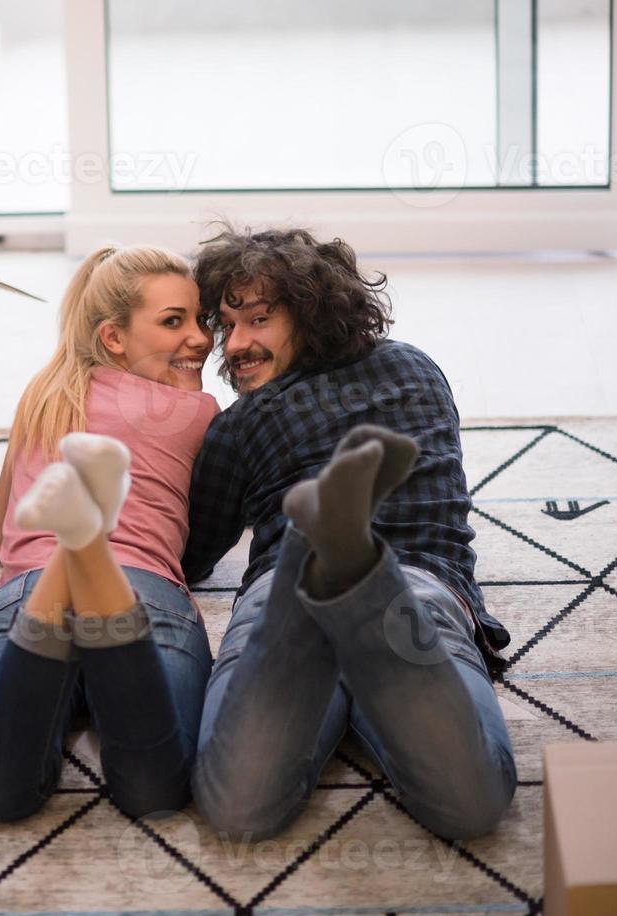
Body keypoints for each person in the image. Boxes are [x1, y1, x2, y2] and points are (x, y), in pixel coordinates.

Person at [184, 226, 516, 842]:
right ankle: (353, 565)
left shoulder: (239, 425)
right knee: (474, 806)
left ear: (311, 313)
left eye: (257, 319)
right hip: (416, 588)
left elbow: (193, 557)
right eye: (226, 327)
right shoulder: (416, 369)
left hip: (284, 601)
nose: (236, 345)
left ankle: (318, 561)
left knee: (237, 809)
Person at [0, 244, 219, 821]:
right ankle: (88, 548)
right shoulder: (199, 411)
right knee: (155, 791)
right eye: (174, 322)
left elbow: (2, 537)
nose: (200, 337)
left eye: (202, 320)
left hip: (26, 591)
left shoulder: (46, 394)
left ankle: (74, 547)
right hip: (144, 591)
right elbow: (206, 538)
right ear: (114, 337)